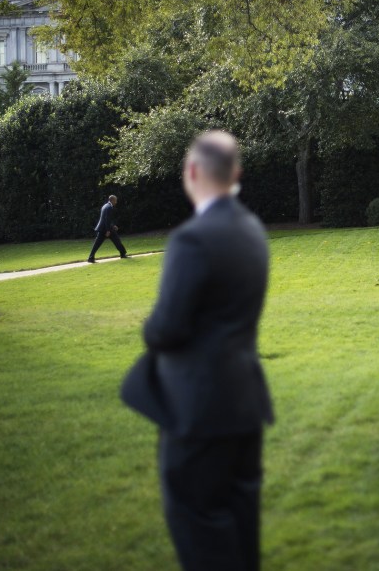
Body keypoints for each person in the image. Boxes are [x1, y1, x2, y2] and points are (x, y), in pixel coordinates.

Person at [120, 131, 273, 571]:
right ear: (236, 174)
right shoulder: (252, 229)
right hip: (245, 404)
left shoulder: (193, 238)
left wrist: (149, 326)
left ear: (191, 172)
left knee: (199, 527)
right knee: (243, 527)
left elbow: (166, 329)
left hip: (199, 409)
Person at [87, 194, 127, 262]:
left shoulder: (105, 206)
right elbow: (106, 219)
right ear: (112, 200)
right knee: (117, 241)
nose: (116, 202)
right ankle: (123, 254)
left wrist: (113, 225)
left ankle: (91, 258)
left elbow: (107, 219)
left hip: (102, 228)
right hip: (106, 229)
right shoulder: (109, 207)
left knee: (97, 243)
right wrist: (108, 230)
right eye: (115, 201)